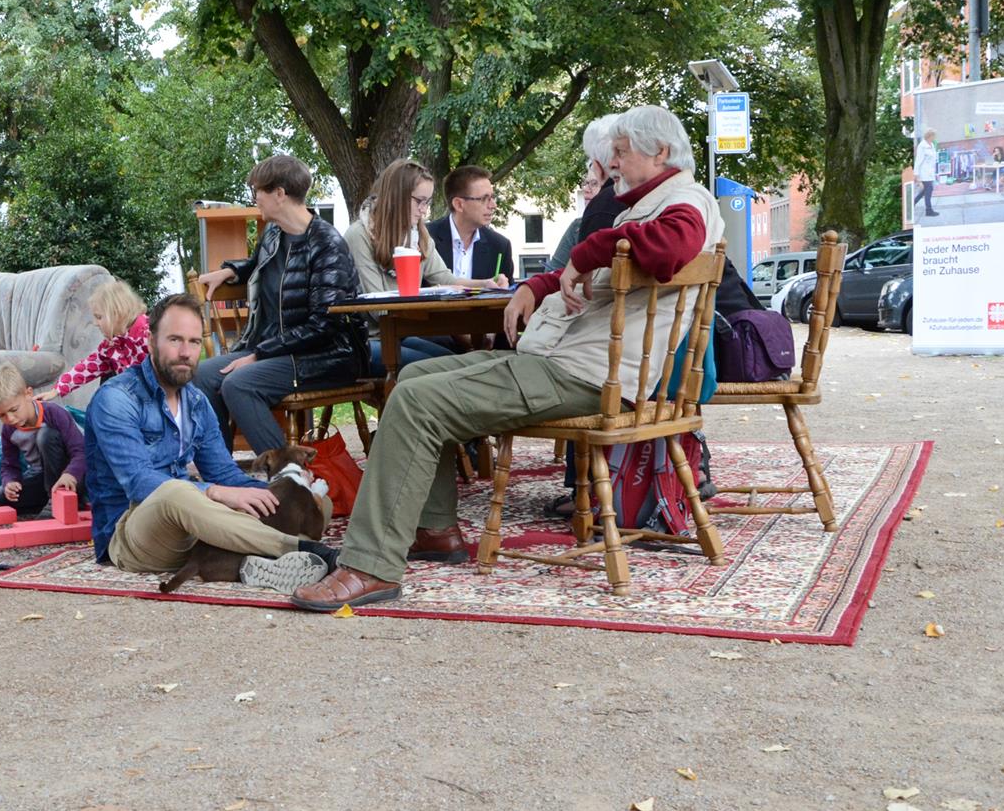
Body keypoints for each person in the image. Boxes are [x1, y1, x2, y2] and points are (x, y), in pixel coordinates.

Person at [290, 105, 723, 611]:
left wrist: (585, 253)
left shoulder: (686, 203)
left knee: (417, 403)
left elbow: (667, 249)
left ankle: (368, 565)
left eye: (622, 155)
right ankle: (433, 528)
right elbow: (604, 278)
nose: (614, 167)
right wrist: (538, 285)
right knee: (413, 374)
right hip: (575, 363)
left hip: (586, 376)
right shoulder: (648, 204)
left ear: (662, 153)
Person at [85, 293, 339, 593]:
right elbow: (140, 483)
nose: (185, 352)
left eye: (193, 342)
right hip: (131, 533)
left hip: (196, 526)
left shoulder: (196, 402)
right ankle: (307, 551)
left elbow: (225, 474)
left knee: (314, 504)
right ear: (151, 341)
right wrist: (217, 494)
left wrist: (285, 493)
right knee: (175, 490)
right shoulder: (116, 399)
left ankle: (252, 566)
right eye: (175, 340)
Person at [193, 154, 367, 453]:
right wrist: (232, 270)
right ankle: (222, 471)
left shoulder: (328, 245)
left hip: (325, 355)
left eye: (257, 191)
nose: (255, 198)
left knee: (239, 384)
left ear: (279, 193)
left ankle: (290, 477)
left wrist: (260, 354)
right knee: (202, 376)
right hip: (275, 347)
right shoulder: (274, 234)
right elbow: (262, 264)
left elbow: (324, 325)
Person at [342, 158, 509, 377]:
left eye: (428, 203)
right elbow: (377, 307)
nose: (424, 210)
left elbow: (445, 279)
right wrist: (429, 306)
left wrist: (486, 284)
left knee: (459, 362)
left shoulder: (417, 234)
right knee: (445, 370)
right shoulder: (359, 235)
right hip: (369, 339)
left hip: (402, 334)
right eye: (419, 201)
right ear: (396, 197)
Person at [0, 363, 86, 518]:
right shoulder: (9, 429)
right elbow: (9, 464)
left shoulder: (54, 414)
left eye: (14, 410)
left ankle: (60, 503)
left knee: (45, 436)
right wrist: (10, 482)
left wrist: (70, 474)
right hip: (40, 479)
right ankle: (43, 506)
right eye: (1, 415)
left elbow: (81, 451)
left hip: (72, 477)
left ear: (28, 394)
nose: (10, 418)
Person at [36, 279, 149, 402]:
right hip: (135, 402)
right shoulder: (111, 346)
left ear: (116, 313)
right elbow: (88, 367)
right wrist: (57, 389)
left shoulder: (149, 334)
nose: (95, 323)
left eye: (99, 317)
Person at [547, 118, 616, 271]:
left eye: (594, 183)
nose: (586, 189)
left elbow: (589, 285)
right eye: (586, 183)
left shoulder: (600, 211)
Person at [428, 165, 514, 282]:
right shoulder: (425, 238)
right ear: (458, 204)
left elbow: (509, 296)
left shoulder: (499, 246)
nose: (493, 205)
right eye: (484, 199)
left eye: (492, 197)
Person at [914, 128, 939, 217]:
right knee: (928, 190)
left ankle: (913, 203)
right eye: (934, 135)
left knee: (925, 190)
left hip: (930, 173)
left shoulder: (931, 144)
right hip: (924, 173)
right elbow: (918, 161)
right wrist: (917, 176)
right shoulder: (922, 146)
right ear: (930, 136)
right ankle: (929, 211)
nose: (935, 137)